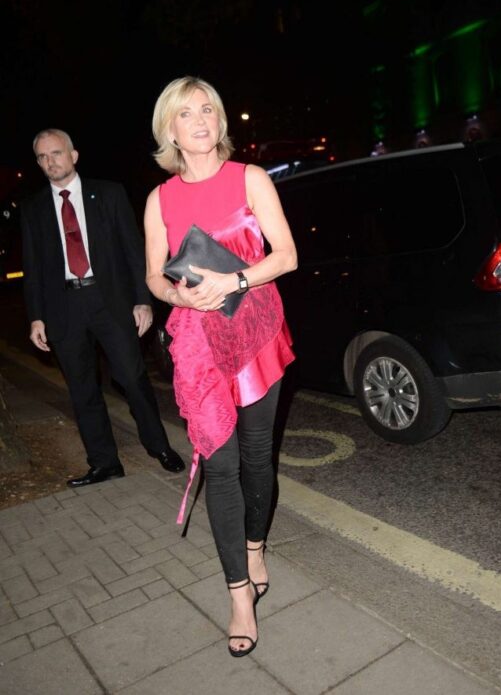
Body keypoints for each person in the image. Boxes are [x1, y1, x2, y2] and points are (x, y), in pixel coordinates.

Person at [144, 76, 297, 658]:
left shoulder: (250, 178)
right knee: (222, 465)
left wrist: (234, 279)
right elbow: (154, 275)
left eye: (208, 109)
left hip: (257, 336)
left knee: (258, 457)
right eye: (186, 113)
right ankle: (238, 596)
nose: (200, 121)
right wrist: (177, 296)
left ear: (220, 119)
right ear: (170, 130)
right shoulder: (160, 199)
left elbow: (287, 256)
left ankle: (255, 547)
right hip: (202, 348)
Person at [21, 128, 185, 487]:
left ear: (73, 155)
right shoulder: (33, 209)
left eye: (56, 153)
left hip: (109, 300)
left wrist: (142, 300)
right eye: (43, 157)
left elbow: (133, 249)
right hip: (64, 307)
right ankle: (104, 462)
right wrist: (36, 317)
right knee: (82, 390)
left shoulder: (109, 194)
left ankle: (159, 447)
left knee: (132, 378)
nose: (50, 161)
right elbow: (33, 268)